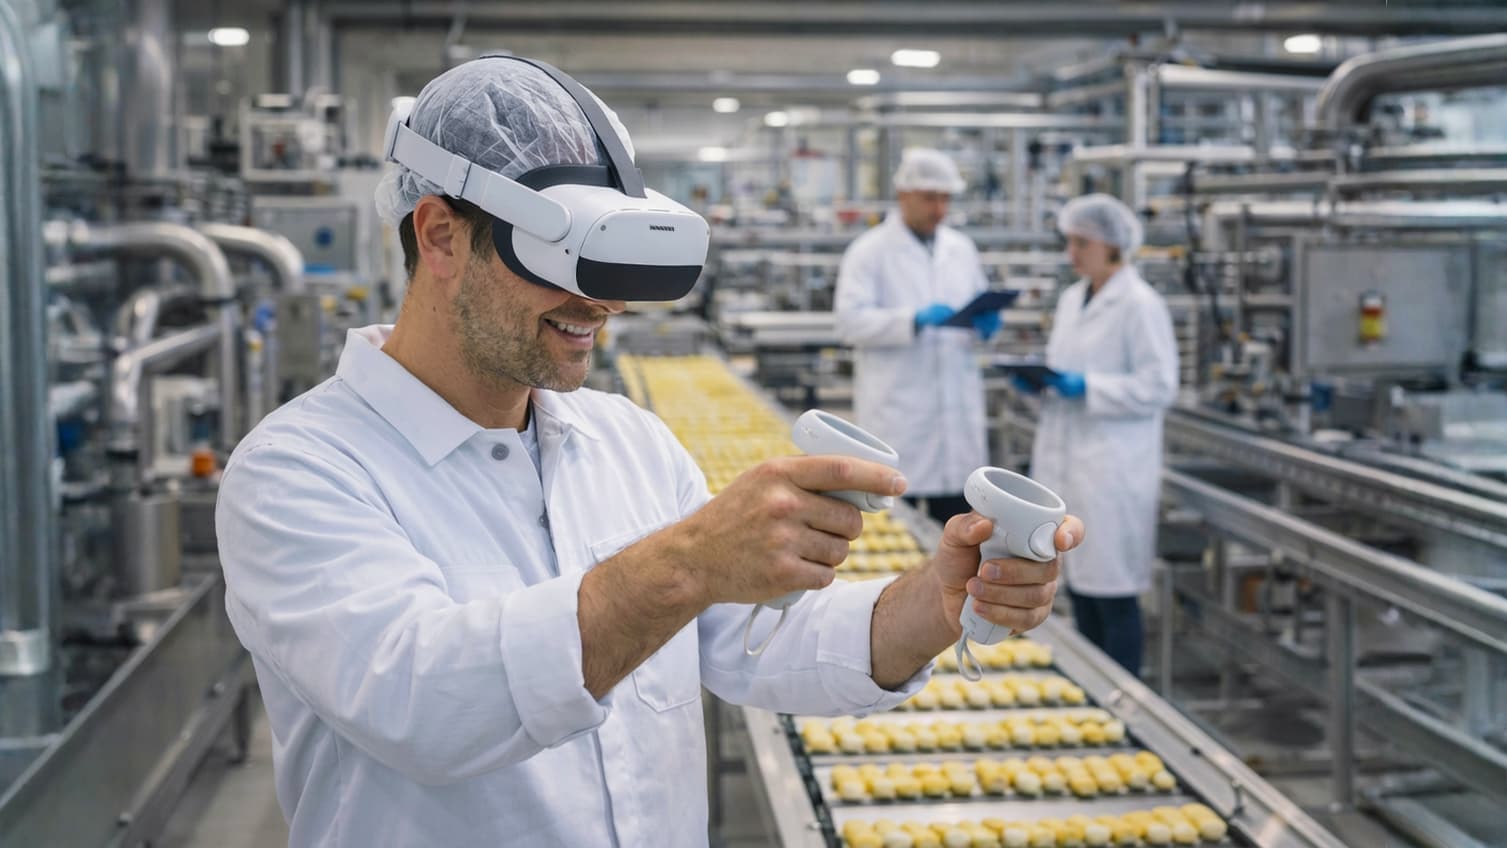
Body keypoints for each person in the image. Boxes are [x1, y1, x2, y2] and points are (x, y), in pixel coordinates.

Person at [214, 58, 1082, 847]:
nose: (603, 304)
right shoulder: (298, 471)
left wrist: (933, 601)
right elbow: (424, 703)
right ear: (440, 235)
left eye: (614, 262)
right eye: (563, 258)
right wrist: (689, 562)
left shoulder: (625, 439)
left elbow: (756, 640)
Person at [1019, 193, 1177, 676]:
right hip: (1071, 461)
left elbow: (1158, 386)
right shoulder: (1073, 299)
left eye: (1081, 243)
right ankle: (1093, 683)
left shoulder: (1140, 305)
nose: (1073, 253)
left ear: (1111, 245)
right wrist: (1042, 384)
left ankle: (1126, 697)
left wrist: (1089, 387)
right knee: (1082, 589)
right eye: (1070, 241)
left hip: (1112, 470)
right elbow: (1067, 370)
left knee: (1114, 596)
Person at [834, 148, 1001, 525]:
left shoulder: (962, 250)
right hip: (899, 423)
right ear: (903, 195)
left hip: (955, 422)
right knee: (895, 541)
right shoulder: (869, 252)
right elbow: (848, 323)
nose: (939, 209)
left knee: (958, 542)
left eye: (945, 199)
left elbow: (976, 308)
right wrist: (912, 321)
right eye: (930, 198)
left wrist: (984, 324)